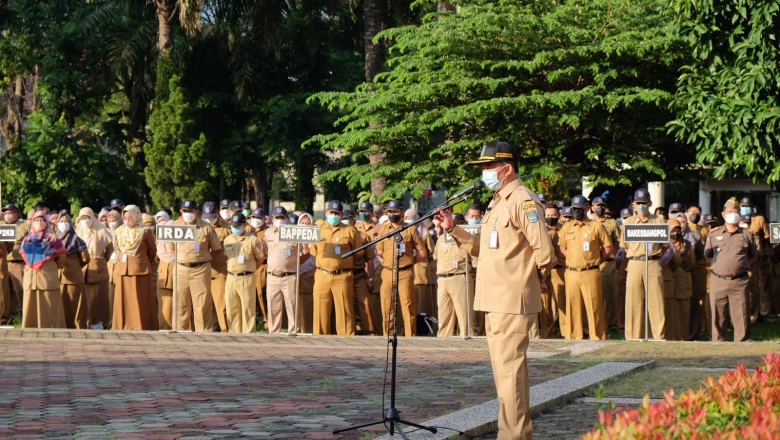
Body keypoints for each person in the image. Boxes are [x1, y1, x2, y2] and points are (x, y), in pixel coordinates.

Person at [436, 141, 556, 440]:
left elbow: (545, 252)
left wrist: (536, 279)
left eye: (489, 167)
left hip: (511, 299)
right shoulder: (498, 202)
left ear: (507, 169)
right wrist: (453, 228)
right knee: (504, 377)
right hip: (494, 299)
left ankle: (514, 437)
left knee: (510, 375)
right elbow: (485, 252)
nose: (485, 173)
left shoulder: (522, 200)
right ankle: (511, 433)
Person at [559, 195, 613, 340]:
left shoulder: (596, 226)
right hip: (572, 272)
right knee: (573, 306)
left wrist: (596, 261)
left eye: (580, 209)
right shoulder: (567, 227)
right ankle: (574, 336)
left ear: (587, 208)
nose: (577, 212)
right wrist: (571, 257)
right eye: (574, 209)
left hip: (591, 271)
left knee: (594, 305)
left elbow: (608, 247)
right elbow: (562, 247)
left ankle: (597, 336)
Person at [704, 197, 757, 342]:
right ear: (723, 214)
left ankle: (742, 345)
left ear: (739, 214)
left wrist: (738, 266)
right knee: (718, 316)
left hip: (739, 281)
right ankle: (718, 344)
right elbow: (708, 256)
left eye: (735, 211)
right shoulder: (714, 234)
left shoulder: (747, 234)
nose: (732, 213)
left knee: (741, 316)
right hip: (718, 280)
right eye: (729, 211)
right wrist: (721, 267)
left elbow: (753, 257)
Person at [620, 188, 667, 340]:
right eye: (638, 203)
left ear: (650, 203)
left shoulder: (659, 221)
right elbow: (625, 246)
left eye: (644, 203)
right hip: (634, 263)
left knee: (656, 301)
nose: (641, 206)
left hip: (653, 262)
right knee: (633, 301)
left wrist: (657, 260)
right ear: (633, 204)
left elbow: (665, 246)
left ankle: (658, 337)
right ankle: (632, 337)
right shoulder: (628, 222)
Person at [310, 200, 362, 336]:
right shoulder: (318, 230)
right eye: (331, 212)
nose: (333, 215)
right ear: (326, 213)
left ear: (341, 214)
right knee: (320, 311)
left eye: (336, 213)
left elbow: (358, 254)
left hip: (343, 276)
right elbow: (313, 252)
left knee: (345, 311)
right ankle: (319, 342)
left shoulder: (350, 231)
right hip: (322, 274)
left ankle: (346, 342)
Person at [376, 200, 427, 337]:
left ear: (402, 212)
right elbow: (379, 251)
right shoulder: (384, 229)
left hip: (405, 272)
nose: (392, 214)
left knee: (407, 305)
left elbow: (422, 253)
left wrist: (409, 263)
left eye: (395, 212)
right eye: (390, 212)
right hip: (387, 272)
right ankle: (388, 336)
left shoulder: (410, 229)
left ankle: (410, 336)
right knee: (387, 306)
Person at [173, 200, 222, 332]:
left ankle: (204, 333)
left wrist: (202, 257)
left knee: (202, 304)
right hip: (180, 269)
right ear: (181, 212)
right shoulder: (176, 226)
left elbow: (217, 249)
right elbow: (172, 247)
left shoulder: (206, 227)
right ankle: (180, 332)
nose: (188, 214)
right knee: (180, 303)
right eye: (185, 211)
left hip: (200, 269)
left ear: (197, 211)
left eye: (190, 211)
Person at [112, 206, 158, 330]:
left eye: (131, 217)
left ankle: (141, 326)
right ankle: (122, 326)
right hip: (123, 270)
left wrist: (140, 262)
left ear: (137, 216)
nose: (128, 220)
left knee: (140, 300)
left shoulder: (145, 231)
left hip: (140, 270)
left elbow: (152, 252)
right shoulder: (119, 231)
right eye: (125, 217)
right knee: (123, 301)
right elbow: (116, 249)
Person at [19, 211, 67, 328]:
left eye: (42, 220)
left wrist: (50, 265)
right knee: (31, 306)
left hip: (47, 278)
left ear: (47, 222)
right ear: (32, 223)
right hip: (31, 279)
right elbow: (23, 255)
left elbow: (62, 259)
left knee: (50, 307)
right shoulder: (27, 240)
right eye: (36, 220)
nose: (39, 222)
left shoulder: (53, 240)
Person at [433, 208, 475, 337]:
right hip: (442, 278)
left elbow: (474, 259)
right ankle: (444, 341)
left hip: (459, 277)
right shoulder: (442, 239)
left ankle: (467, 338)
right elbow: (436, 256)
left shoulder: (468, 238)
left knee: (464, 313)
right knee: (444, 313)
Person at [223, 213, 265, 333]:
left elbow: (260, 258)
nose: (235, 228)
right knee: (232, 307)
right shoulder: (228, 240)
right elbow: (231, 257)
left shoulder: (253, 240)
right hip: (231, 277)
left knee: (247, 308)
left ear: (244, 225)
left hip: (246, 277)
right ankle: (234, 333)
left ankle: (248, 334)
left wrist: (250, 269)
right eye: (233, 225)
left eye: (237, 225)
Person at [265, 207, 304, 334]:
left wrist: (294, 264)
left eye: (282, 217)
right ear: (273, 219)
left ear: (287, 218)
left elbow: (305, 252)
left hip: (289, 276)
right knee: (273, 307)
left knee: (293, 307)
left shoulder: (295, 232)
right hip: (272, 276)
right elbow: (265, 252)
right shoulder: (268, 233)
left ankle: (293, 333)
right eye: (277, 218)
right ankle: (274, 333)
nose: (280, 220)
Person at [56, 211, 90, 329]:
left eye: (66, 222)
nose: (64, 224)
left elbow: (86, 258)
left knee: (75, 304)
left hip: (73, 277)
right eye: (61, 221)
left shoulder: (77, 239)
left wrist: (74, 265)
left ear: (70, 224)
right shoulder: (54, 239)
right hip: (59, 276)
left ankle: (76, 327)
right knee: (61, 303)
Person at [741, 197, 771, 323]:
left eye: (746, 206)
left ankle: (760, 313)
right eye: (742, 206)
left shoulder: (759, 219)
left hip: (757, 256)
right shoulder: (738, 220)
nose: (745, 208)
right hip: (742, 256)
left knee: (759, 284)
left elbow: (767, 236)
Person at [591, 196, 619, 330]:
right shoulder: (588, 224)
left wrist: (612, 255)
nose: (599, 208)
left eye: (601, 206)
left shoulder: (612, 223)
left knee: (609, 295)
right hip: (592, 263)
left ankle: (611, 324)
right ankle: (598, 324)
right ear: (592, 208)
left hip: (608, 263)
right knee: (595, 295)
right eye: (597, 206)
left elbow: (618, 242)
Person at [202, 201, 230, 332]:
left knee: (222, 305)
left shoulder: (227, 228)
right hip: (201, 272)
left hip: (219, 272)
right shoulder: (198, 225)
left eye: (211, 216)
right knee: (205, 305)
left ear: (217, 213)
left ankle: (225, 330)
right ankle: (209, 330)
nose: (208, 219)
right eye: (206, 216)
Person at [354, 202, 380, 335]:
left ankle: (371, 330)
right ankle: (358, 328)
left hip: (375, 267)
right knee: (357, 302)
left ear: (372, 212)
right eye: (361, 211)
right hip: (357, 268)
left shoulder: (378, 228)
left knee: (370, 302)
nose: (363, 214)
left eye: (366, 211)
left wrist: (371, 277)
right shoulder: (354, 228)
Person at [683, 204, 708, 339]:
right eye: (692, 212)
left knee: (698, 302)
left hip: (698, 269)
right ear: (686, 214)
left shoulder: (704, 231)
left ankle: (695, 332)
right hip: (683, 268)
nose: (695, 214)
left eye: (697, 213)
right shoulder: (681, 228)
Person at [2, 204, 30, 318]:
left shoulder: (25, 225)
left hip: (18, 262)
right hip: (4, 262)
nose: (8, 215)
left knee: (20, 289)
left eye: (10, 212)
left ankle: (23, 312)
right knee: (5, 291)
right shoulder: (2, 226)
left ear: (17, 213)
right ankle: (8, 313)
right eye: (6, 213)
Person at [543, 204, 566, 339]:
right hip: (546, 272)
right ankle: (547, 333)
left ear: (558, 215)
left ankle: (563, 332)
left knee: (561, 303)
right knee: (546, 305)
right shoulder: (541, 230)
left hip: (560, 270)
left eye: (553, 215)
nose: (551, 218)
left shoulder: (564, 230)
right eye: (548, 216)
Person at [248, 207, 270, 330]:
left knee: (262, 294)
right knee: (250, 295)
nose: (256, 220)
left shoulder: (268, 232)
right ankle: (254, 322)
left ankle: (267, 322)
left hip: (262, 266)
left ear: (264, 219)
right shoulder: (247, 230)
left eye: (259, 218)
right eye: (254, 217)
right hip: (248, 266)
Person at [154, 211, 175, 330]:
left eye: (164, 220)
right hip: (163, 269)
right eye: (159, 221)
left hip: (177, 267)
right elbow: (156, 255)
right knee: (165, 303)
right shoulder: (159, 237)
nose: (162, 224)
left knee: (181, 301)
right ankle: (164, 327)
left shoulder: (174, 228)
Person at [297, 213, 316, 333]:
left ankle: (308, 330)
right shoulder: (293, 239)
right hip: (295, 277)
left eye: (307, 224)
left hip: (310, 277)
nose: (304, 226)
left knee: (308, 306)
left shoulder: (315, 239)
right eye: (302, 223)